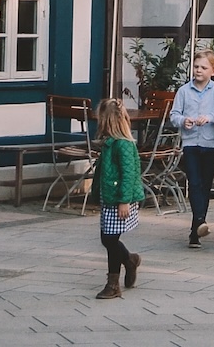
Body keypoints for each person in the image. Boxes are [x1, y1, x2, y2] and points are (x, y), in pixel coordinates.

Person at [170, 49, 214, 248]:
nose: (198, 70)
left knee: (205, 185)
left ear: (213, 71)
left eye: (203, 67)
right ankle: (199, 223)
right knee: (194, 182)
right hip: (190, 143)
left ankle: (195, 230)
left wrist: (211, 117)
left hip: (209, 143)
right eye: (196, 67)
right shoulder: (184, 91)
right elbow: (174, 115)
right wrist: (183, 121)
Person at [94, 97, 144, 299]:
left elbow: (128, 173)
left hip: (120, 199)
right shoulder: (109, 143)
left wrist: (124, 200)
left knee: (110, 239)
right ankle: (129, 259)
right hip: (110, 196)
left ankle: (113, 283)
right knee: (107, 238)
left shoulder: (122, 144)